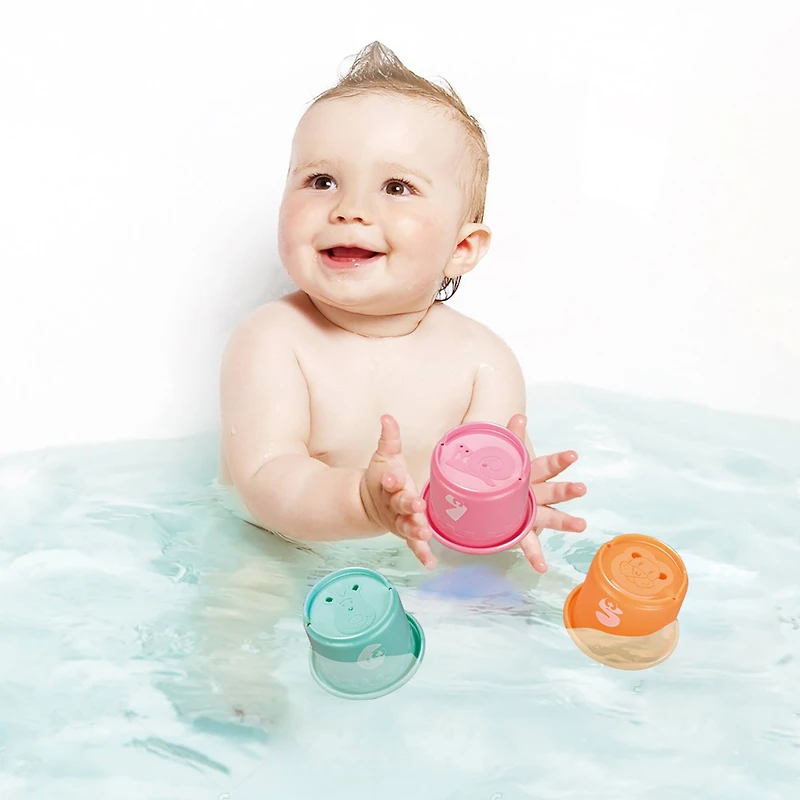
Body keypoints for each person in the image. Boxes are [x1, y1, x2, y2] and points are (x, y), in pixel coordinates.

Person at [218, 41, 587, 574]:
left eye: (397, 187)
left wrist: (505, 513)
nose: (350, 209)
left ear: (461, 249)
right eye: (322, 181)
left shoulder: (482, 363)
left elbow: (476, 500)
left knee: (500, 601)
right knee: (239, 613)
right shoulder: (273, 340)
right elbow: (265, 480)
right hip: (278, 553)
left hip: (420, 557)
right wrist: (362, 503)